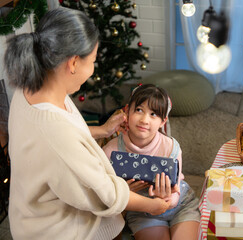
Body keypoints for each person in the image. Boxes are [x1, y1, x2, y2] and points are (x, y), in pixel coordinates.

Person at [5, 7, 170, 240]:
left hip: (31, 213)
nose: (92, 71)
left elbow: (61, 141)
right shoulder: (55, 134)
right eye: (92, 61)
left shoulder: (34, 87)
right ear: (73, 63)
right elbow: (107, 195)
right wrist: (152, 206)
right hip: (61, 231)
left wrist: (102, 130)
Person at [103, 84, 201, 240]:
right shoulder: (111, 151)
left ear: (163, 121)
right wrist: (123, 192)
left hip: (181, 205)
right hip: (143, 213)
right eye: (139, 110)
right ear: (127, 111)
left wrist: (166, 199)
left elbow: (176, 188)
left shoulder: (171, 147)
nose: (144, 120)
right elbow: (105, 193)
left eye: (153, 114)